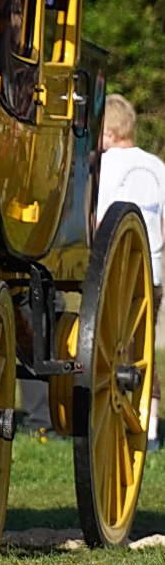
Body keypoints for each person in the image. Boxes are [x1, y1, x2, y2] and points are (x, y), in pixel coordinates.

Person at [97, 93, 165, 448]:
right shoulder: (156, 166)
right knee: (143, 349)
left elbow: (98, 218)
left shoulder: (106, 166)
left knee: (109, 348)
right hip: (150, 271)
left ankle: (110, 421)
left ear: (107, 133)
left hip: (115, 269)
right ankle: (150, 429)